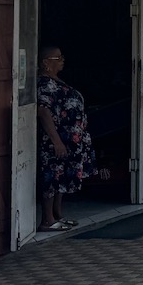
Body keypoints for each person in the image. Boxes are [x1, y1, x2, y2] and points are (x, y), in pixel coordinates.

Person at [36, 45, 100, 231]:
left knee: (62, 178)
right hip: (56, 140)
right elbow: (43, 111)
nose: (62, 60)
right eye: (58, 58)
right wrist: (56, 141)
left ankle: (57, 214)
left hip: (71, 139)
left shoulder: (57, 81)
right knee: (52, 176)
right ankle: (47, 219)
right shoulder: (44, 83)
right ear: (46, 63)